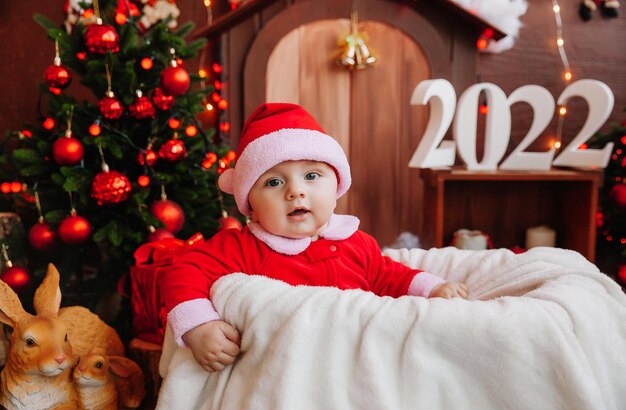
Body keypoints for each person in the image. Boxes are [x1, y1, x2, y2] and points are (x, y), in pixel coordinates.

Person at [159, 103, 468, 373]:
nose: (295, 191)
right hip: (288, 365)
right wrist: (198, 326)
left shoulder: (356, 242)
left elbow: (388, 276)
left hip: (355, 358)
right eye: (274, 181)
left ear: (336, 186)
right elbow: (184, 271)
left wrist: (434, 288)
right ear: (249, 205)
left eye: (311, 175)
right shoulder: (242, 247)